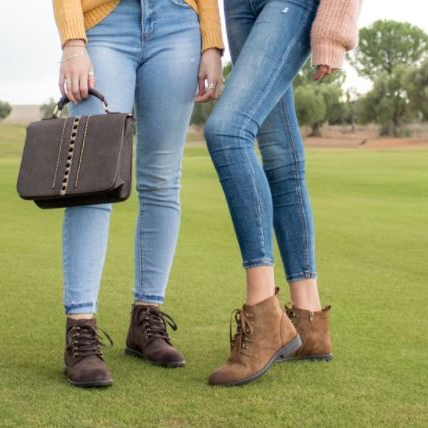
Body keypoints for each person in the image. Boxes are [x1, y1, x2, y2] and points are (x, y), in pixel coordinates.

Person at [52, 0, 223, 387]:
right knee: (90, 179)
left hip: (179, 24)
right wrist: (73, 43)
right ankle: (80, 329)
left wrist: (212, 43)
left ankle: (146, 318)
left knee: (162, 179)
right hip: (105, 24)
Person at [204, 0, 362, 386]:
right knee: (280, 155)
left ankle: (264, 313)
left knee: (227, 131)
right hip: (239, 7)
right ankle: (308, 321)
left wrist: (333, 31)